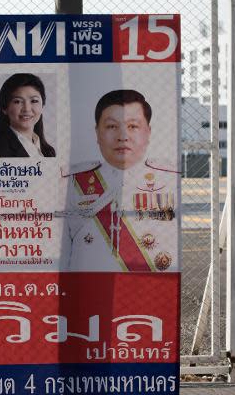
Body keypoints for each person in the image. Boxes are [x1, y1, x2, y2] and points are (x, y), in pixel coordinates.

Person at [58, 89, 179, 272]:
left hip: (151, 287)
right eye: (112, 126)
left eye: (133, 126)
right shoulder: (72, 182)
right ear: (97, 133)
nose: (123, 136)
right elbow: (61, 251)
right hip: (88, 286)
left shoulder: (170, 179)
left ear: (148, 132)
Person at [0, 73, 56, 158]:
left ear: (42, 105)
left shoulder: (49, 151)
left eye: (34, 101)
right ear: (4, 108)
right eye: (17, 101)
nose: (27, 109)